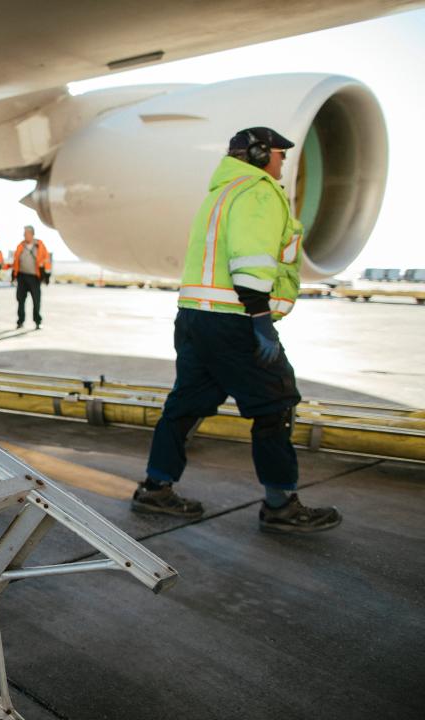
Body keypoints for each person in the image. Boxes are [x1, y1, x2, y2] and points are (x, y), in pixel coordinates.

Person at [133, 127, 342, 534]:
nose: (283, 163)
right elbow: (251, 258)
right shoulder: (258, 192)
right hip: (236, 319)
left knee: (186, 405)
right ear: (261, 153)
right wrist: (261, 322)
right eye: (280, 154)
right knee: (276, 402)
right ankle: (281, 504)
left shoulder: (219, 194)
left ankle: (156, 488)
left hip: (196, 317)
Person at [12, 225, 52, 329]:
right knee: (20, 300)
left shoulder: (40, 245)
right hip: (22, 277)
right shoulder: (20, 245)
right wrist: (14, 274)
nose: (24, 235)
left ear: (32, 234)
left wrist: (47, 275)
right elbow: (16, 260)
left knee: (36, 301)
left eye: (26, 233)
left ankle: (38, 322)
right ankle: (20, 321)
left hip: (35, 278)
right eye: (24, 233)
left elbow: (46, 260)